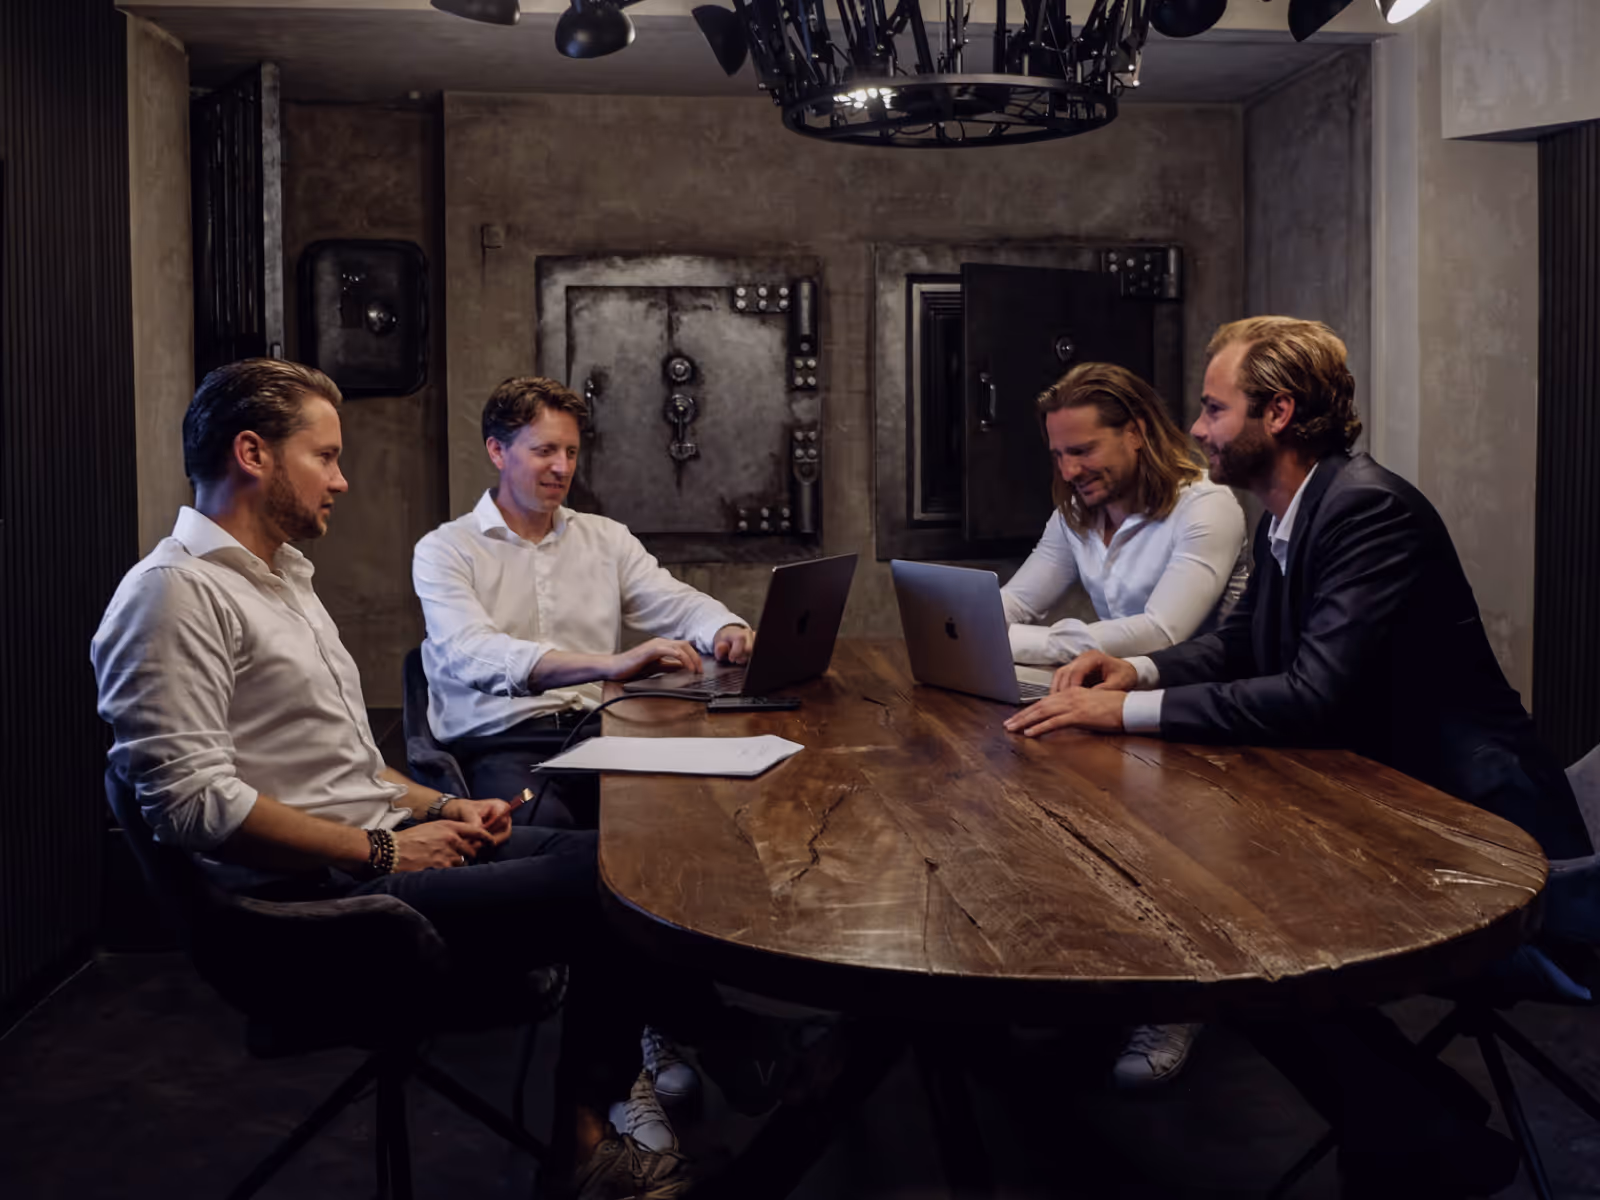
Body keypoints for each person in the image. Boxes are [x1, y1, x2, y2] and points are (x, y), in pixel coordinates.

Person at [1006, 316, 1592, 1197]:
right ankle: (1424, 1128)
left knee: (1243, 943)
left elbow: (1313, 693)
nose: (1198, 431)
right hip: (1397, 810)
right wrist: (1135, 667)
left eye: (1214, 408)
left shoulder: (1366, 509)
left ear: (1276, 414)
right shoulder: (1296, 508)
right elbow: (1243, 645)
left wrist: (1124, 711)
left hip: (1486, 845)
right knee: (1227, 919)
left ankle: (1423, 1141)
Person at [91, 359, 699, 1199]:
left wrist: (446, 805)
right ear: (252, 453)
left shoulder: (286, 583)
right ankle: (595, 1143)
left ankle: (608, 1124)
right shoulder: (171, 596)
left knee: (628, 855)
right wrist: (383, 849)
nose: (342, 480)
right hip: (310, 900)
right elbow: (193, 808)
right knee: (616, 886)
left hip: (368, 848)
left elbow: (344, 766)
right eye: (326, 456)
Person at [1001, 360, 1249, 1089]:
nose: (1070, 468)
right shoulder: (1075, 511)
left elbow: (1165, 632)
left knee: (1163, 842)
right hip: (1114, 699)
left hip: (1200, 709)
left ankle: (1180, 995)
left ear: (1136, 433)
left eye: (1084, 450)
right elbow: (1009, 606)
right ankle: (1097, 981)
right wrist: (1012, 635)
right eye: (1058, 453)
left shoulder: (1207, 507)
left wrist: (1050, 643)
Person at [412, 376, 754, 827]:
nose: (563, 467)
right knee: (556, 841)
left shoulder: (605, 538)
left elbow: (677, 602)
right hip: (502, 744)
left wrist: (723, 627)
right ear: (497, 452)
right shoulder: (445, 549)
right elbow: (473, 655)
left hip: (602, 733)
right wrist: (609, 665)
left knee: (699, 818)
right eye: (545, 451)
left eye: (571, 452)